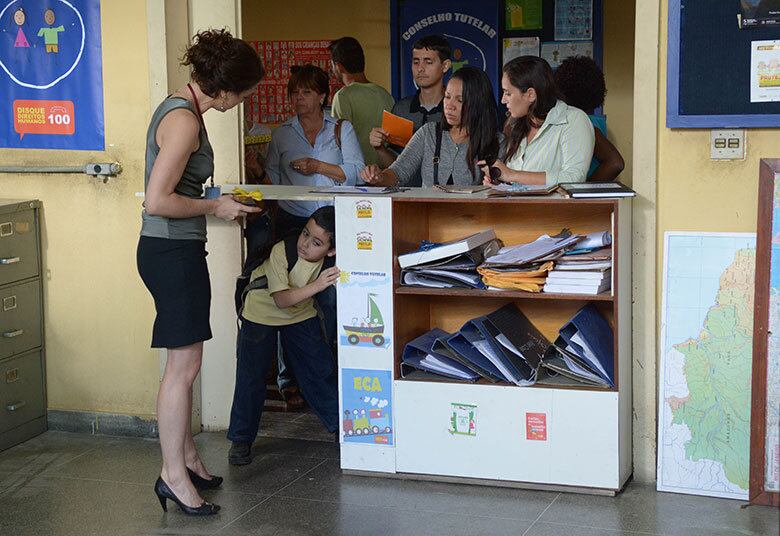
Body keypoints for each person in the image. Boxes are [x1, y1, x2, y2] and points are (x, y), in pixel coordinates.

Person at [136, 29, 263, 516]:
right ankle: (172, 476)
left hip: (173, 250)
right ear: (226, 88)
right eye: (245, 92)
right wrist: (218, 207)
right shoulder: (186, 121)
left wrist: (220, 203)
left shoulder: (181, 108)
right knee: (182, 369)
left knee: (185, 365)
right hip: (170, 252)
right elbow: (157, 199)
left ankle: (187, 458)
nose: (244, 100)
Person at [265, 64, 363, 404]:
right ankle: (288, 378)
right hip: (295, 225)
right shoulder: (281, 134)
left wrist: (317, 166)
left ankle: (337, 373)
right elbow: (272, 179)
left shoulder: (341, 130)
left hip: (334, 225)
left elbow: (354, 174)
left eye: (306, 92)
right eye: (294, 93)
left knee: (332, 300)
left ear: (322, 95)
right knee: (290, 298)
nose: (299, 99)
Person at [227, 206, 340, 465]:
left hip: (301, 314)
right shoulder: (282, 250)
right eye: (305, 234)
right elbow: (280, 299)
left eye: (317, 242)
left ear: (331, 251)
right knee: (251, 376)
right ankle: (241, 439)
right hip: (261, 311)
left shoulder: (333, 261)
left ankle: (340, 430)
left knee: (319, 370)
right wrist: (318, 285)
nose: (305, 244)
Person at [360, 66, 499, 188]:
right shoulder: (428, 133)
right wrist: (379, 177)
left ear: (479, 104)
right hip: (429, 214)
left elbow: (504, 189)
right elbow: (398, 172)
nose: (449, 105)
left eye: (460, 100)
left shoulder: (497, 141)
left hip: (475, 216)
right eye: (447, 96)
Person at [482, 56, 594, 186]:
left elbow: (574, 178)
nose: (503, 100)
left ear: (530, 94)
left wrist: (512, 174)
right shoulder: (514, 124)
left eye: (508, 93)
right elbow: (518, 185)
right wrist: (499, 184)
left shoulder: (574, 119)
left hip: (554, 207)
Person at [369, 35, 451, 185]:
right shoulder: (401, 108)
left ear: (445, 66)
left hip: (445, 196)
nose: (420, 68)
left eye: (428, 62)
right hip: (406, 194)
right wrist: (380, 148)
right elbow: (396, 167)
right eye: (416, 62)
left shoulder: (454, 110)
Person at [554, 55, 624, 181]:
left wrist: (584, 189)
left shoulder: (582, 123)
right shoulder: (595, 121)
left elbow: (615, 163)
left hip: (580, 195)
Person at [328, 36, 394, 166]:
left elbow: (337, 143)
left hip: (358, 175)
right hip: (385, 174)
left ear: (339, 66)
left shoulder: (343, 96)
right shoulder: (384, 94)